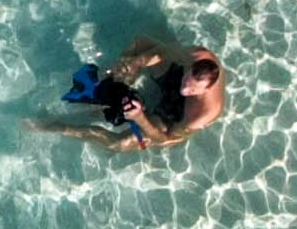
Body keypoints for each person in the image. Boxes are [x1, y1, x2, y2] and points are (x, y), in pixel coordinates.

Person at [37, 37, 229, 150]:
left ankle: (58, 127)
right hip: (173, 77)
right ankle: (111, 91)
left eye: (193, 89)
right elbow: (159, 50)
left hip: (174, 116)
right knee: (140, 45)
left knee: (119, 143)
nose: (185, 88)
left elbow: (165, 138)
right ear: (189, 67)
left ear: (206, 89)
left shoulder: (202, 114)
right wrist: (135, 64)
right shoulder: (194, 56)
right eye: (187, 80)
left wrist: (140, 118)